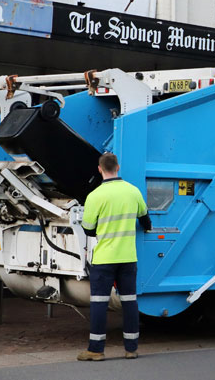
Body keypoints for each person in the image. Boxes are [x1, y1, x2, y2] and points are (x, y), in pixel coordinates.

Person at [78, 153, 151, 362]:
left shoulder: (95, 196)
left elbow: (89, 230)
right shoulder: (133, 191)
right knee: (129, 302)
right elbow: (146, 221)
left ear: (100, 169)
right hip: (128, 257)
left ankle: (96, 350)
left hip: (104, 259)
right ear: (118, 167)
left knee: (100, 303)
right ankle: (131, 348)